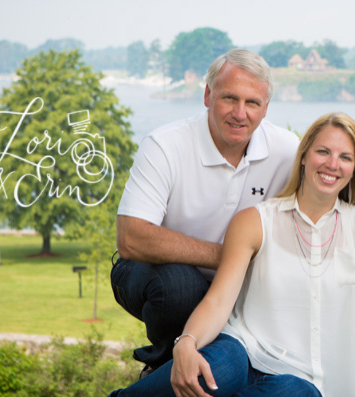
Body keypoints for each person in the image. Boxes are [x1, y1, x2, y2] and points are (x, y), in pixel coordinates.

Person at [49, 113, 355, 397]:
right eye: (323, 152)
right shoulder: (255, 220)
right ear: (303, 157)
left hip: (300, 385)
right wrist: (186, 343)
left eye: (345, 157)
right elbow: (219, 299)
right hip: (247, 352)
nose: (332, 164)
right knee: (219, 369)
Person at [112, 49, 299, 378]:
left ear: (266, 107)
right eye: (229, 98)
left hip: (236, 284)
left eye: (252, 103)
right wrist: (230, 258)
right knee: (180, 287)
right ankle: (161, 367)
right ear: (208, 95)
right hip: (151, 272)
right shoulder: (164, 145)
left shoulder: (287, 151)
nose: (240, 113)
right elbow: (131, 238)